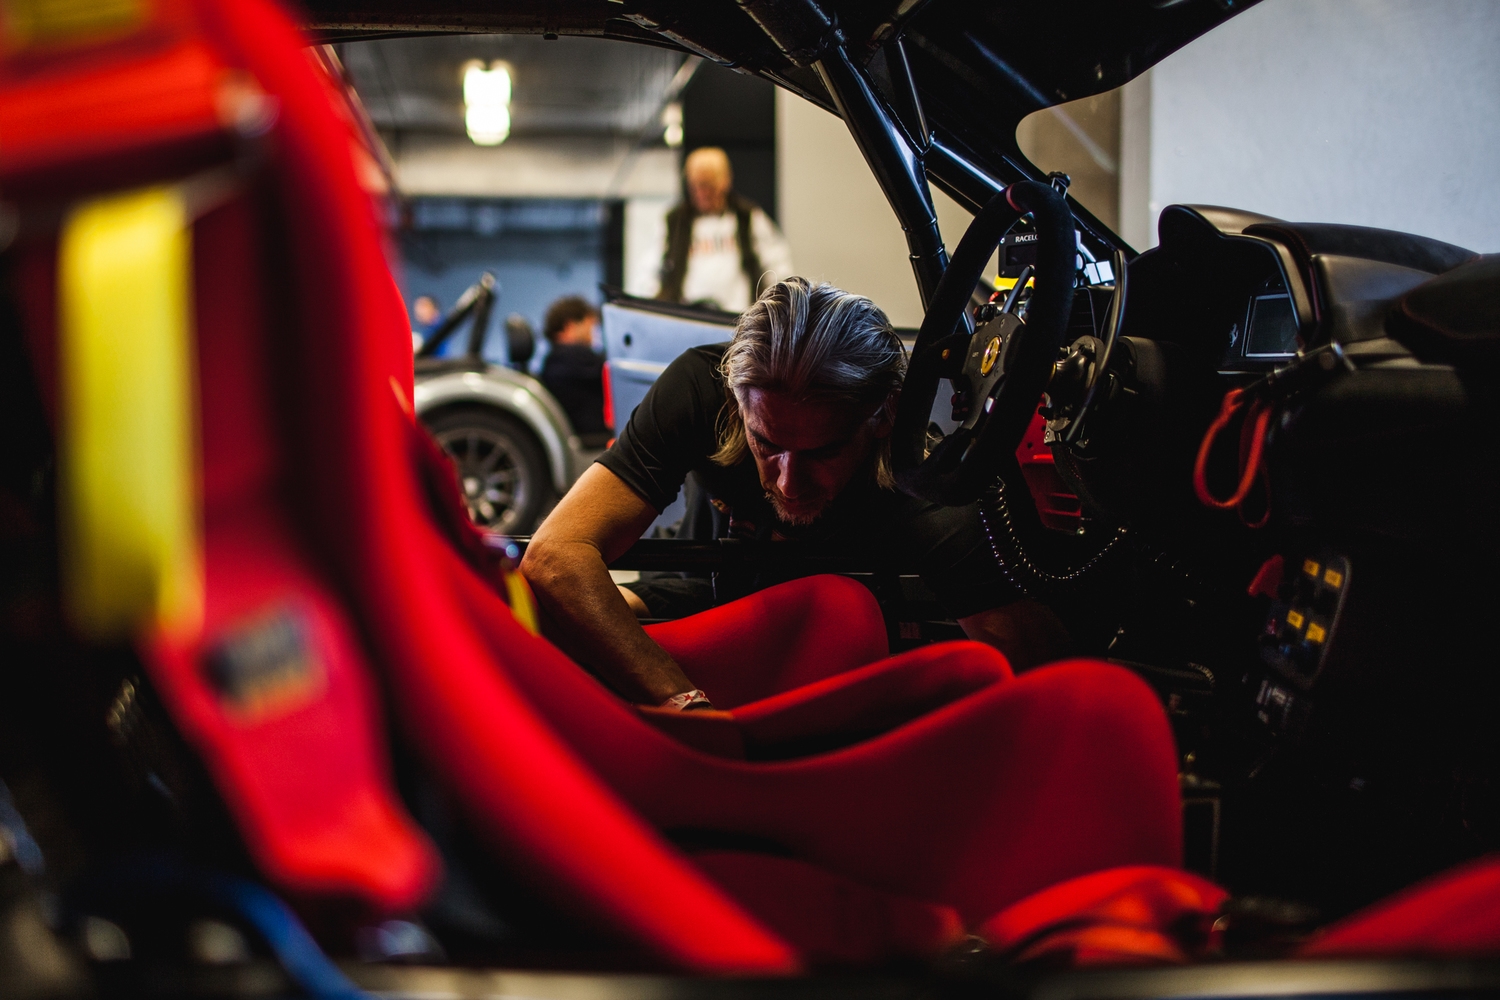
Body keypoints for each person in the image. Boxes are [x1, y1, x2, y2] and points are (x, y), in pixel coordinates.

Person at [522, 277, 1070, 710]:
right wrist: (683, 702)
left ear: (886, 417)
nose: (787, 481)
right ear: (736, 403)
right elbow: (554, 555)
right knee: (533, 617)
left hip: (856, 651)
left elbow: (1042, 679)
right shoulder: (699, 390)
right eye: (767, 444)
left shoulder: (924, 490)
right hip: (710, 598)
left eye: (822, 453)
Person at [657, 147, 793, 313]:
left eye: (708, 185)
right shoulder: (674, 223)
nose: (702, 193)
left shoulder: (748, 218)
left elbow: (777, 265)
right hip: (687, 318)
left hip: (740, 319)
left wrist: (775, 310)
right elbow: (650, 272)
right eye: (695, 186)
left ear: (725, 181)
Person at [539, 295, 609, 438]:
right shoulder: (573, 357)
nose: (592, 336)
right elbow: (609, 368)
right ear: (570, 326)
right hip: (595, 440)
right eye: (590, 327)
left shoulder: (554, 360)